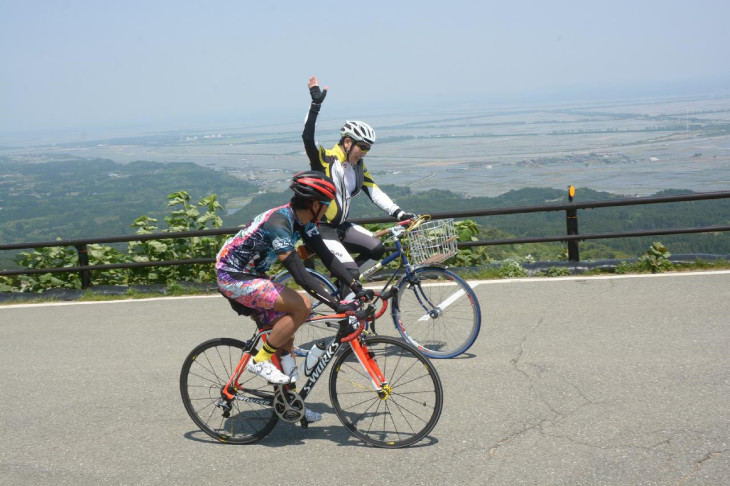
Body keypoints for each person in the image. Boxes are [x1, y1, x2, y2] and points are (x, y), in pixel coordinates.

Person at [216, 171, 373, 422]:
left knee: (285, 338)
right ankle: (260, 359)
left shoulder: (305, 222)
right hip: (233, 277)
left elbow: (327, 257)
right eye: (326, 205)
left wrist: (356, 286)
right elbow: (300, 275)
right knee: (302, 306)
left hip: (254, 274)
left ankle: (290, 403)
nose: (327, 210)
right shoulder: (279, 224)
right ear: (313, 204)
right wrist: (336, 303)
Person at [302, 76, 417, 293]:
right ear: (347, 142)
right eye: (362, 147)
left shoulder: (358, 166)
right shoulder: (325, 159)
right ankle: (347, 320)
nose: (364, 152)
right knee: (352, 274)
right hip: (321, 229)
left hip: (341, 226)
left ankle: (341, 289)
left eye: (368, 148)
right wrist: (315, 105)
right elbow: (308, 138)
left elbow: (374, 191)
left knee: (376, 248)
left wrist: (400, 213)